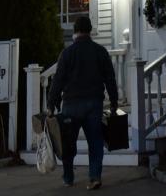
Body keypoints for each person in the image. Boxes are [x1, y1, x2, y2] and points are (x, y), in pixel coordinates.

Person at [48, 15, 119, 190]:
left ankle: (68, 177)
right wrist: (114, 100)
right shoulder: (100, 51)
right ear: (90, 30)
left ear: (75, 32)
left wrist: (51, 104)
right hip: (94, 102)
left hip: (71, 104)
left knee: (67, 143)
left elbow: (58, 80)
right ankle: (94, 177)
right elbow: (110, 77)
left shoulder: (67, 53)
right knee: (95, 141)